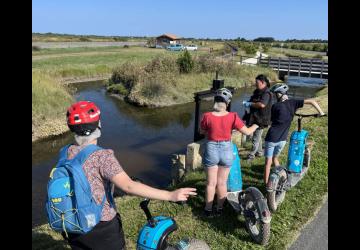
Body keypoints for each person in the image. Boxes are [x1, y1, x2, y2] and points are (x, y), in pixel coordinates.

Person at [59, 101, 197, 250]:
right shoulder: (101, 156)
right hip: (101, 227)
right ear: (98, 125)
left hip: (73, 223)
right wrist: (170, 195)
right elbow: (128, 186)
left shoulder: (66, 152)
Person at [200, 88, 259, 217]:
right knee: (222, 183)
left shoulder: (207, 116)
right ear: (227, 103)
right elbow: (248, 132)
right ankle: (220, 208)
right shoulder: (233, 116)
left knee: (211, 183)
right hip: (227, 150)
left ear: (215, 101)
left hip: (211, 149)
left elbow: (202, 132)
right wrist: (256, 125)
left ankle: (208, 210)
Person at [263, 83, 325, 185]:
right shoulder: (294, 103)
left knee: (268, 164)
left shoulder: (275, 106)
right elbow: (312, 101)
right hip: (283, 139)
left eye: (276, 94)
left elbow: (272, 120)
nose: (274, 96)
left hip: (271, 138)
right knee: (275, 158)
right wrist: (321, 112)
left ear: (279, 94)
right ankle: (281, 180)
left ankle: (267, 186)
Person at [242, 74, 273, 160]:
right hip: (255, 117)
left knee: (255, 138)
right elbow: (252, 100)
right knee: (257, 137)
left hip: (261, 119)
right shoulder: (257, 91)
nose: (255, 84)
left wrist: (250, 104)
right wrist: (247, 102)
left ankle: (251, 155)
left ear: (263, 82)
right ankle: (259, 153)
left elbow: (262, 105)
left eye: (257, 82)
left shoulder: (267, 93)